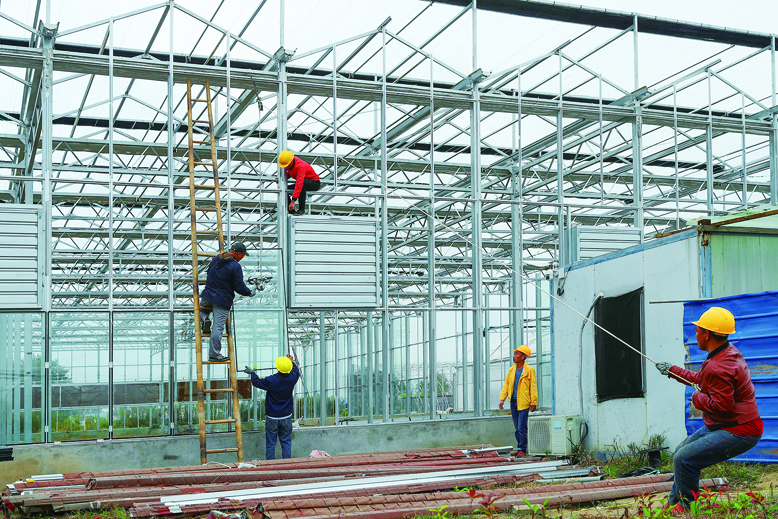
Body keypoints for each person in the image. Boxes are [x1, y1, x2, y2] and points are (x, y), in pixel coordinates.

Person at [655, 306, 762, 512]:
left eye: (697, 330)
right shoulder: (724, 354)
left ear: (706, 334)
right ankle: (675, 502)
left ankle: (686, 507)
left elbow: (721, 405)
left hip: (739, 430)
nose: (695, 333)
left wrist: (697, 398)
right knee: (681, 452)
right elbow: (703, 380)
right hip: (727, 424)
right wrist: (672, 370)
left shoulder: (719, 365)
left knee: (684, 458)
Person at [199, 243, 253, 362]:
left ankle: (204, 319)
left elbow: (208, 273)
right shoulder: (235, 266)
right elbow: (239, 287)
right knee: (217, 328)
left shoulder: (216, 259)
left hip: (207, 295)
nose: (242, 258)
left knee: (201, 310)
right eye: (243, 255)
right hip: (222, 300)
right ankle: (214, 355)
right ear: (239, 254)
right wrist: (249, 292)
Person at [243, 355, 300, 459]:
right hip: (286, 417)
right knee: (286, 443)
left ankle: (270, 467)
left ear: (277, 368)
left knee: (271, 444)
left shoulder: (271, 380)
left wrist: (252, 373)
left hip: (272, 417)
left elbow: (256, 382)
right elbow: (297, 372)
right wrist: (291, 362)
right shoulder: (292, 378)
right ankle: (286, 466)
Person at [498, 345, 538, 457]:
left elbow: (533, 387)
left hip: (524, 403)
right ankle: (520, 447)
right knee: (516, 427)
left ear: (523, 357)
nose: (514, 356)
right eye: (514, 354)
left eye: (516, 354)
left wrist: (533, 402)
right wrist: (502, 399)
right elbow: (506, 385)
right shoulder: (512, 370)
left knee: (521, 427)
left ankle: (523, 449)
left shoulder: (529, 370)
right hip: (513, 402)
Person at [279, 150, 320, 215]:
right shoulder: (290, 163)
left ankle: (301, 209)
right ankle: (291, 210)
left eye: (287, 165)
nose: (286, 167)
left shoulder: (300, 166)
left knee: (302, 185)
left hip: (314, 183)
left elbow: (299, 184)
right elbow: (291, 172)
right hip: (304, 182)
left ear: (291, 161)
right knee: (285, 189)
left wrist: (293, 201)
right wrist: (281, 178)